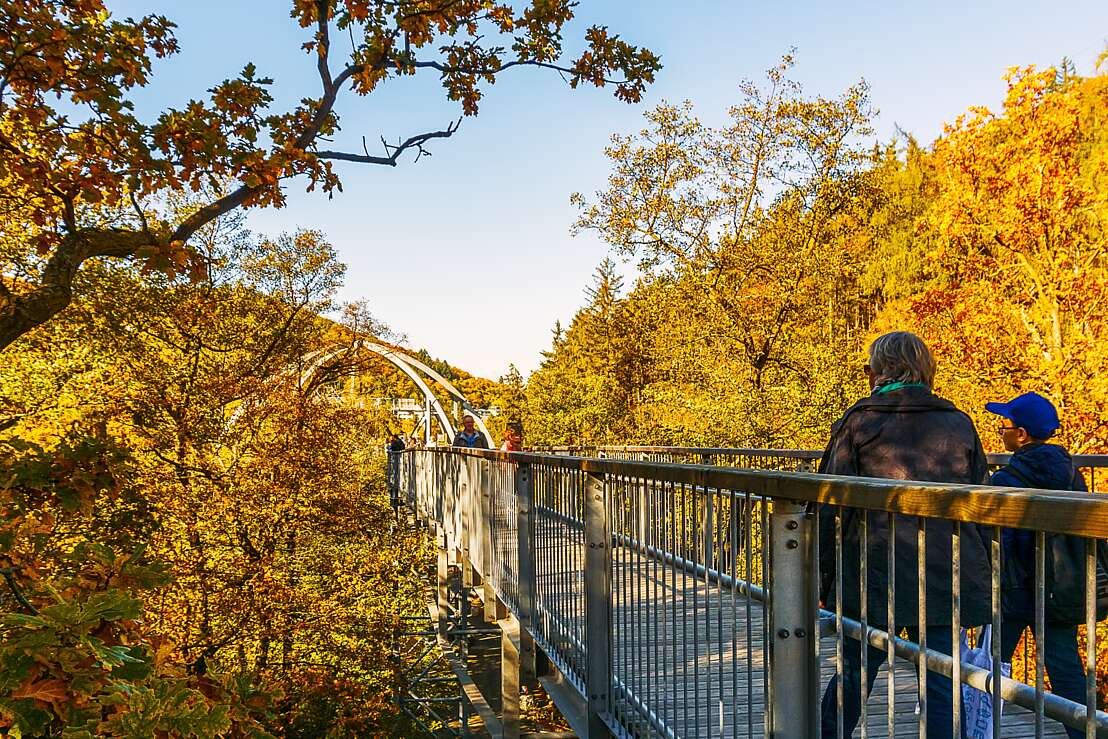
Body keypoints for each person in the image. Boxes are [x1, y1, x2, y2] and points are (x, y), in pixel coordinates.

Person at [818, 331, 993, 739]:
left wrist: (823, 578)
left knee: (855, 670)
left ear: (878, 371)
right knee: (941, 677)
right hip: (945, 571)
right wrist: (984, 576)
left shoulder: (859, 422)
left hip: (875, 570)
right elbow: (983, 504)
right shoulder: (958, 422)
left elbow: (831, 505)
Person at [986, 392, 1089, 739]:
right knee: (1066, 670)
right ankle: (1087, 733)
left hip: (1013, 590)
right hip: (1059, 588)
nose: (1002, 432)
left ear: (1023, 435)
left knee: (988, 666)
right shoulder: (1072, 475)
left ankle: (975, 729)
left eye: (1006, 426)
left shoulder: (1005, 481)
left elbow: (993, 537)